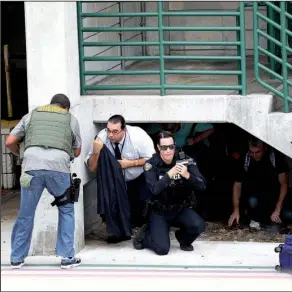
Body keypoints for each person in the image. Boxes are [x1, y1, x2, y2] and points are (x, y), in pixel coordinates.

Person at [5, 94, 82, 269]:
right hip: (59, 169)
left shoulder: (31, 115)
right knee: (66, 210)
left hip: (31, 168)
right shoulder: (70, 119)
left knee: (26, 213)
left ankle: (17, 258)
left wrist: (23, 155)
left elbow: (9, 141)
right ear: (66, 107)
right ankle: (67, 257)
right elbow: (77, 152)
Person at [133, 131, 206, 256]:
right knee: (162, 249)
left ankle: (183, 238)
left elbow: (202, 185)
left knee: (198, 225)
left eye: (171, 147)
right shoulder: (151, 165)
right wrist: (169, 175)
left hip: (180, 208)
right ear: (158, 148)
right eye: (164, 148)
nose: (168, 151)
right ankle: (145, 236)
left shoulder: (185, 160)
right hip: (159, 211)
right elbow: (154, 189)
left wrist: (187, 175)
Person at [85, 115, 155, 242]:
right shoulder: (102, 138)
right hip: (114, 181)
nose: (111, 135)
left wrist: (130, 163)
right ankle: (117, 233)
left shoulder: (138, 137)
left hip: (136, 178)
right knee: (112, 206)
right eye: (108, 130)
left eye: (115, 132)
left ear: (124, 130)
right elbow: (92, 168)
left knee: (138, 210)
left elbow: (153, 161)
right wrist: (96, 152)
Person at [228, 137, 292, 231]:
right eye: (251, 152)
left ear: (264, 148)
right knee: (252, 202)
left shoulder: (275, 157)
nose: (254, 155)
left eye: (258, 152)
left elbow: (284, 184)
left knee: (288, 215)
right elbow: (237, 184)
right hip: (256, 199)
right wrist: (235, 210)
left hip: (276, 197)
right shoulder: (245, 159)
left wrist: (278, 208)